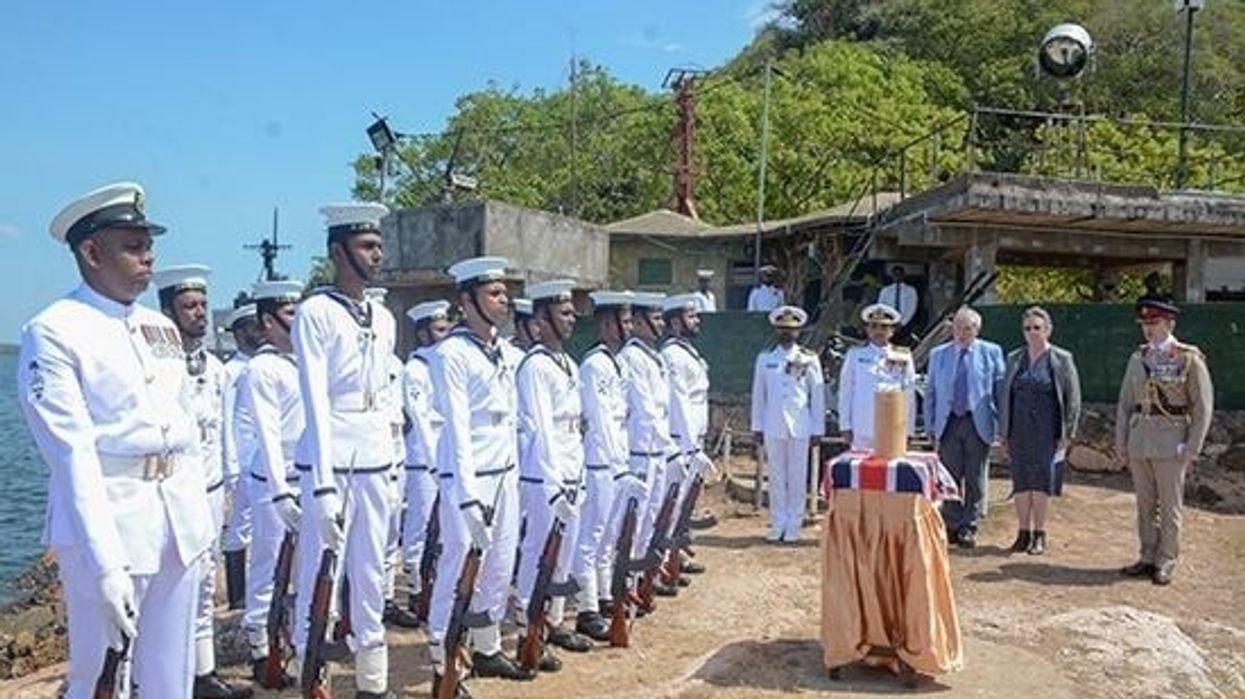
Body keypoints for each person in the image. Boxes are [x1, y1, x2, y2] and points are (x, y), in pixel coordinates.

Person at [18, 181, 213, 699]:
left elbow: (186, 431)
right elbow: (71, 454)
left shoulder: (159, 327)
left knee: (172, 678)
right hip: (110, 524)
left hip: (177, 522)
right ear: (91, 251)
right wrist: (106, 564)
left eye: (148, 245)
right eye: (132, 246)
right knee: (99, 676)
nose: (148, 257)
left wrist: (201, 520)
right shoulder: (55, 330)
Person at [291, 202, 398, 699]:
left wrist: (394, 459)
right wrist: (324, 485)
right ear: (339, 252)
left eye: (378, 245)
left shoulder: (382, 315)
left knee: (372, 570)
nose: (376, 255)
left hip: (375, 458)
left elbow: (388, 393)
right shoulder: (315, 312)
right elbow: (314, 397)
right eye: (366, 246)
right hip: (331, 460)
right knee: (319, 575)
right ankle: (311, 675)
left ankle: (372, 684)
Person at [426, 256, 533, 697]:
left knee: (500, 565)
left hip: (505, 471)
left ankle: (487, 646)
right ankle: (444, 661)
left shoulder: (506, 353)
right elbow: (456, 426)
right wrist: (468, 496)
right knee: (457, 569)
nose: (503, 299)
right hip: (468, 477)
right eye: (493, 293)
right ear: (466, 301)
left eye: (504, 292)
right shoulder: (450, 353)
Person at [153, 264, 252, 699]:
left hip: (210, 490)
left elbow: (225, 428)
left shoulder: (216, 367)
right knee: (167, 588)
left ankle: (203, 674)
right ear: (167, 311)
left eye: (202, 305)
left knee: (205, 583)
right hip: (173, 492)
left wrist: (231, 479)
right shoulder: (156, 366)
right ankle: (160, 677)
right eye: (188, 306)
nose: (198, 313)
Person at [515, 279, 593, 670]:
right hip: (544, 476)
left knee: (564, 551)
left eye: (571, 313)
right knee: (538, 552)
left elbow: (575, 425)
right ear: (540, 320)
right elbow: (541, 429)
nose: (571, 319)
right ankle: (528, 629)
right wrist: (552, 485)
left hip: (571, 469)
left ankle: (555, 619)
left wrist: (575, 473)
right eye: (563, 313)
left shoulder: (568, 363)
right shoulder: (534, 367)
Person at [1115, 297, 1213, 586]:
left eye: (1154, 323)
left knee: (1170, 505)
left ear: (1169, 323)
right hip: (1140, 438)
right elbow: (1125, 403)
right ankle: (1147, 555)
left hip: (1172, 441)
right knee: (1145, 504)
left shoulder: (1187, 358)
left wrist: (1192, 446)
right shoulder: (1138, 357)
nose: (1148, 329)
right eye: (1145, 324)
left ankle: (1166, 559)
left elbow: (1202, 406)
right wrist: (1121, 441)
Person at [234, 279, 304, 687]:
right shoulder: (261, 369)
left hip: (308, 477)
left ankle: (292, 639)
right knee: (268, 566)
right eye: (290, 313)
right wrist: (279, 491)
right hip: (274, 481)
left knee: (303, 570)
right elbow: (265, 433)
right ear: (268, 320)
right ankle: (262, 649)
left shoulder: (303, 362)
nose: (298, 322)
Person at [572, 290, 634, 641]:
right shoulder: (594, 364)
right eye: (624, 322)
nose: (629, 327)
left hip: (616, 461)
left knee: (609, 536)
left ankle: (605, 595)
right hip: (599, 462)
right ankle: (586, 608)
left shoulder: (617, 362)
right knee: (591, 537)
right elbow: (598, 419)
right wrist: (616, 464)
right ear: (608, 325)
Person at [998, 307, 1082, 556]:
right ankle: (1023, 533)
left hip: (1047, 430)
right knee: (1021, 481)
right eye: (1028, 328)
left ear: (1048, 330)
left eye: (1037, 328)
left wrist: (1066, 434)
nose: (1032, 332)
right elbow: (1005, 396)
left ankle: (1039, 533)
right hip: (1018, 429)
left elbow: (1073, 398)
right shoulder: (1014, 358)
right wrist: (1004, 432)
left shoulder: (1061, 359)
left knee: (1042, 482)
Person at [925, 306, 1005, 549]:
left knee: (974, 476)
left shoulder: (991, 352)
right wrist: (930, 424)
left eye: (968, 328)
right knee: (948, 475)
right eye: (958, 327)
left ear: (976, 330)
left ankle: (969, 524)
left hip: (976, 421)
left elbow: (1000, 392)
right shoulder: (938, 354)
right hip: (948, 422)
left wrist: (1002, 426)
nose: (962, 332)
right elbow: (931, 393)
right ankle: (951, 523)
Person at [616, 292, 678, 599]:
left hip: (655, 450)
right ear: (638, 322)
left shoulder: (653, 355)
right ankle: (624, 585)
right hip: (639, 450)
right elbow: (645, 409)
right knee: (634, 523)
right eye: (654, 319)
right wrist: (672, 448)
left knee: (652, 517)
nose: (660, 324)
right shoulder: (632, 357)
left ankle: (641, 578)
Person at [751, 306, 826, 543]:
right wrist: (757, 426)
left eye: (792, 330)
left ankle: (794, 523)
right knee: (775, 476)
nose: (787, 333)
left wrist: (818, 429)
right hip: (773, 424)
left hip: (801, 426)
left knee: (796, 476)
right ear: (776, 330)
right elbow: (758, 394)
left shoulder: (809, 358)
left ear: (799, 331)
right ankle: (777, 523)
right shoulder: (765, 358)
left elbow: (818, 395)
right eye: (783, 329)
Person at [400, 300, 451, 619]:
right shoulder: (415, 369)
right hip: (422, 457)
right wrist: (434, 464)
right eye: (438, 330)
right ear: (422, 334)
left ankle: (435, 586)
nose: (445, 335)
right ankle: (417, 591)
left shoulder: (445, 365)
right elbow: (420, 419)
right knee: (418, 527)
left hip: (445, 457)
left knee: (444, 530)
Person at [660, 293, 713, 576]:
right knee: (673, 502)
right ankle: (662, 563)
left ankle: (675, 556)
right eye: (691, 316)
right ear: (676, 323)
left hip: (693, 438)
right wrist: (690, 446)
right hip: (682, 440)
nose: (697, 321)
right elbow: (678, 402)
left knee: (684, 505)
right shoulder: (672, 355)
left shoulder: (687, 352)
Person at [221, 301, 261, 611]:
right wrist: (231, 464)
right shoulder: (231, 371)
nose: (257, 333)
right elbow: (226, 419)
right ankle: (237, 595)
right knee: (240, 527)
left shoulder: (267, 365)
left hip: (264, 459)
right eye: (250, 329)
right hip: (243, 457)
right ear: (238, 334)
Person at [837, 303, 915, 453]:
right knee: (862, 471)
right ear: (867, 330)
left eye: (884, 327)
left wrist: (909, 429)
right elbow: (846, 392)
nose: (878, 331)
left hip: (893, 425)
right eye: (874, 327)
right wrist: (845, 425)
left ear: (892, 331)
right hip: (862, 426)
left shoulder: (903, 356)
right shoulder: (855, 355)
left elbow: (909, 395)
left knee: (890, 472)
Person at [877, 265, 918, 333]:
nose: (897, 277)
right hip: (889, 323)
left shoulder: (911, 290)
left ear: (903, 275)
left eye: (899, 274)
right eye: (895, 274)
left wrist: (902, 323)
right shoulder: (885, 290)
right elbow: (881, 306)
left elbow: (912, 307)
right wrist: (888, 322)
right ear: (892, 275)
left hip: (906, 324)